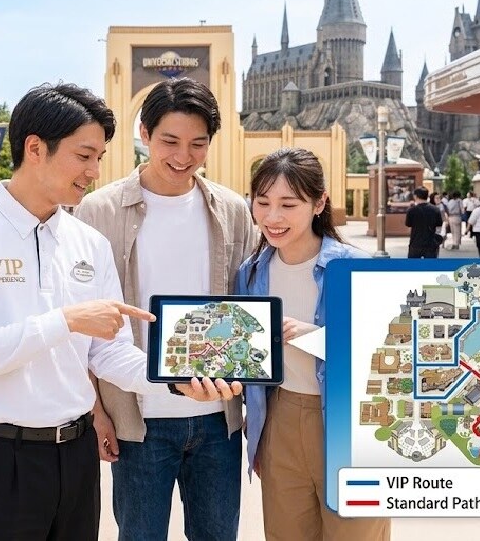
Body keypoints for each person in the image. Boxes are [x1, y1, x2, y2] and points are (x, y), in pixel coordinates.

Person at [0, 82, 241, 540]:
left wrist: (175, 378)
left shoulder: (85, 241)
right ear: (35, 148)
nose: (94, 171)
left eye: (99, 157)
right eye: (84, 155)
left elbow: (110, 354)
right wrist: (65, 322)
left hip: (74, 460)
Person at [75, 77, 255, 540]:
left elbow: (252, 309)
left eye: (198, 144)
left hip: (218, 419)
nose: (183, 156)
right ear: (144, 133)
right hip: (136, 420)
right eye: (170, 141)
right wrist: (96, 410)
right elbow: (80, 323)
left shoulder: (233, 211)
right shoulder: (99, 210)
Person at [237, 147, 390, 541]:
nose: (273, 217)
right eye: (264, 202)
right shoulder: (250, 274)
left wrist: (314, 337)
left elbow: (395, 360)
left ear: (319, 202)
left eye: (289, 204)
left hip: (351, 424)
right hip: (280, 420)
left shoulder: (358, 268)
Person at [405, 187, 444, 258]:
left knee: (413, 267)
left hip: (415, 243)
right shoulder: (435, 210)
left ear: (415, 196)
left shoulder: (411, 210)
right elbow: (439, 225)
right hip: (430, 243)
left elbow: (408, 226)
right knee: (430, 267)